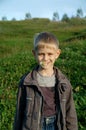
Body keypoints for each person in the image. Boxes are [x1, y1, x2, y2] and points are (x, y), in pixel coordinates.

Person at [13, 32, 78, 130]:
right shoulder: (26, 82)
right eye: (41, 54)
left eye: (50, 54)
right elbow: (19, 113)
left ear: (57, 54)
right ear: (34, 54)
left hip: (56, 125)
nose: (45, 58)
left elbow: (70, 113)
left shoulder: (64, 83)